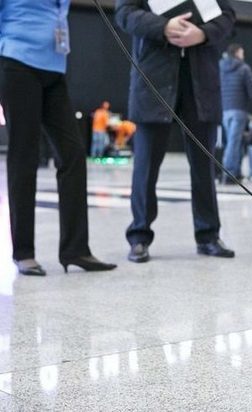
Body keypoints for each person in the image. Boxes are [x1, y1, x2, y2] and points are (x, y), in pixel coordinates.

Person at [0, 0, 116, 276]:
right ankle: (24, 252)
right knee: (24, 155)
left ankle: (76, 250)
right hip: (17, 62)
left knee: (73, 154)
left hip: (54, 68)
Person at [115, 0, 236, 262]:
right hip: (153, 81)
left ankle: (208, 236)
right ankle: (139, 235)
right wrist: (163, 26)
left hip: (200, 83)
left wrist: (203, 34)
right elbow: (124, 13)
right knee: (146, 166)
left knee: (204, 166)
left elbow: (227, 16)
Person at [219, 44, 252, 183]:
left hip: (225, 110)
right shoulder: (244, 68)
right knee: (234, 143)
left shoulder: (220, 67)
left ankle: (236, 171)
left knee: (234, 141)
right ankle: (229, 174)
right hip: (239, 110)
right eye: (242, 52)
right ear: (237, 53)